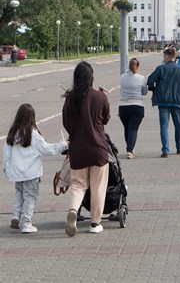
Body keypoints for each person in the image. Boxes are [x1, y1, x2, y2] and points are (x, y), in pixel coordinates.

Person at [62, 61, 111, 236]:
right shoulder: (100, 96)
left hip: (78, 149)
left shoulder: (70, 98)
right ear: (91, 77)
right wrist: (105, 98)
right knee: (97, 187)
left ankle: (73, 210)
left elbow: (66, 124)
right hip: (98, 149)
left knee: (78, 185)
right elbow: (105, 119)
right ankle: (95, 223)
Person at [3, 103, 68, 234]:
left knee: (19, 194)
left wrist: (6, 170)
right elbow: (48, 149)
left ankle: (16, 216)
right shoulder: (34, 134)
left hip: (17, 173)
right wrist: (64, 144)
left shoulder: (12, 134)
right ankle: (27, 222)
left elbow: (6, 155)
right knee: (30, 197)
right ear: (32, 118)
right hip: (31, 173)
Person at [147, 48, 180, 158]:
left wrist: (154, 90)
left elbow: (150, 81)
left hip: (163, 102)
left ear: (167, 57)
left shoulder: (160, 69)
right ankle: (179, 147)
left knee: (164, 126)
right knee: (178, 125)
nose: (163, 58)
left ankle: (165, 150)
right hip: (177, 101)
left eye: (164, 56)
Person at [118, 58, 148, 159]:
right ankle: (130, 150)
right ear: (138, 66)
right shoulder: (141, 78)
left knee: (127, 128)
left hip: (123, 107)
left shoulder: (122, 77)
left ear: (128, 66)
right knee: (133, 128)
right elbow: (144, 92)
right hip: (137, 106)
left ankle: (129, 148)